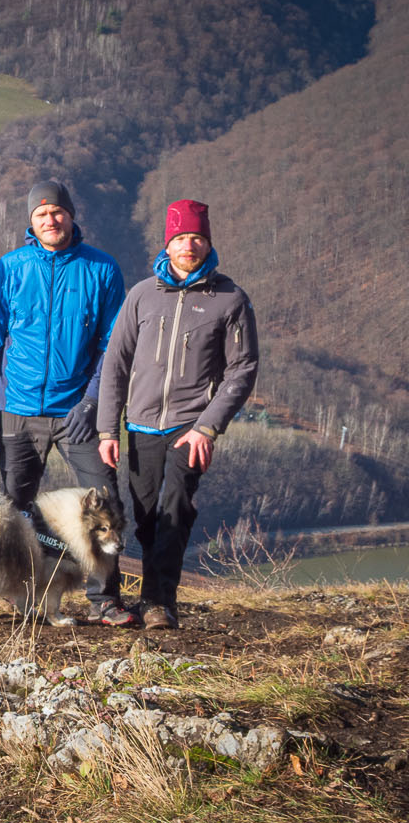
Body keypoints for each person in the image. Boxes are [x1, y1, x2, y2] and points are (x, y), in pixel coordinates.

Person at [0, 179, 135, 626]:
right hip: (18, 409)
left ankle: (105, 600)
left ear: (71, 214)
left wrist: (92, 403)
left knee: (104, 499)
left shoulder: (101, 269)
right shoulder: (10, 268)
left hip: (77, 411)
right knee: (13, 509)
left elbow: (113, 346)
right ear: (30, 221)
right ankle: (20, 595)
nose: (51, 219)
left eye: (57, 211)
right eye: (41, 214)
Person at [96, 200, 258, 629]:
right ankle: (152, 594)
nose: (190, 245)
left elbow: (242, 369)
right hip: (141, 424)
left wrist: (208, 426)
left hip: (192, 426)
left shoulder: (230, 299)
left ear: (209, 243)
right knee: (146, 514)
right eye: (181, 238)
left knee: (176, 505)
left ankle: (158, 601)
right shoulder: (142, 295)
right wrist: (106, 429)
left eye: (198, 238)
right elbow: (115, 363)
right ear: (168, 244)